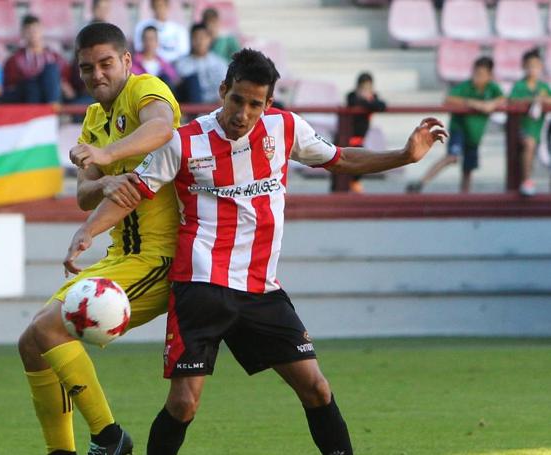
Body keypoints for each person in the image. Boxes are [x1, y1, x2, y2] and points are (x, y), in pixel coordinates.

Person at [63, 48, 447, 455]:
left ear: (268, 103)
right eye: (237, 100)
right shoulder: (184, 142)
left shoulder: (285, 129)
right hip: (200, 287)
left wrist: (405, 156)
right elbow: (132, 193)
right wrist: (87, 231)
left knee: (316, 388)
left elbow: (341, 158)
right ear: (223, 90)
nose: (243, 113)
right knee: (183, 403)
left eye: (255, 105)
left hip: (261, 289)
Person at [17, 22, 182, 455]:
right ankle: (62, 451)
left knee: (51, 329)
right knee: (32, 343)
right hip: (118, 257)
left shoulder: (146, 89)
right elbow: (83, 194)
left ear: (126, 61)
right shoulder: (93, 117)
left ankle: (111, 439)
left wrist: (108, 156)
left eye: (106, 63)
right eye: (87, 68)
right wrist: (104, 184)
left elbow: (163, 129)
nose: (97, 75)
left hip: (157, 259)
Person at [406, 57, 503, 193]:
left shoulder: (492, 88)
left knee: (468, 167)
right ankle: (422, 182)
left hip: (475, 134)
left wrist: (492, 104)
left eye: (481, 75)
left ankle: (465, 194)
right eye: (476, 73)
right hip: (460, 128)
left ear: (489, 76)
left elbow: (503, 99)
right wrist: (473, 103)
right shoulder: (466, 87)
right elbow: (448, 99)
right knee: (452, 156)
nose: (477, 78)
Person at [3, 15, 74, 104]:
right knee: (32, 86)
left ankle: (51, 107)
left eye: (35, 30)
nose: (33, 34)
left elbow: (66, 82)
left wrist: (63, 84)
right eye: (28, 31)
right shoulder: (14, 61)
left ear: (42, 31)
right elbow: (11, 86)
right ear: (22, 33)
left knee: (51, 70)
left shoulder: (55, 57)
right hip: (28, 95)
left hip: (53, 93)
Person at [508, 48, 550, 197]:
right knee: (529, 145)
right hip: (522, 128)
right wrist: (531, 100)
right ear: (524, 67)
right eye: (529, 65)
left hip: (540, 129)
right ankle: (526, 181)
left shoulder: (543, 87)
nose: (533, 69)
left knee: (532, 150)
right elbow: (512, 101)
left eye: (536, 66)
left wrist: (543, 100)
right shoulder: (519, 86)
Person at [343, 72, 387, 193]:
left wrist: (368, 101)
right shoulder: (352, 96)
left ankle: (353, 186)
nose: (365, 91)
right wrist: (366, 101)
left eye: (368, 88)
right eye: (363, 88)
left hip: (360, 138)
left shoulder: (373, 98)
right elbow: (352, 102)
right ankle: (347, 188)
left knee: (360, 163)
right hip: (347, 137)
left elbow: (382, 106)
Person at [173, 23, 228, 104]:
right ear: (190, 40)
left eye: (202, 37)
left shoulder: (220, 63)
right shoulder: (181, 65)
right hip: (192, 109)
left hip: (216, 107)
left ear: (209, 39)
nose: (199, 41)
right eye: (195, 38)